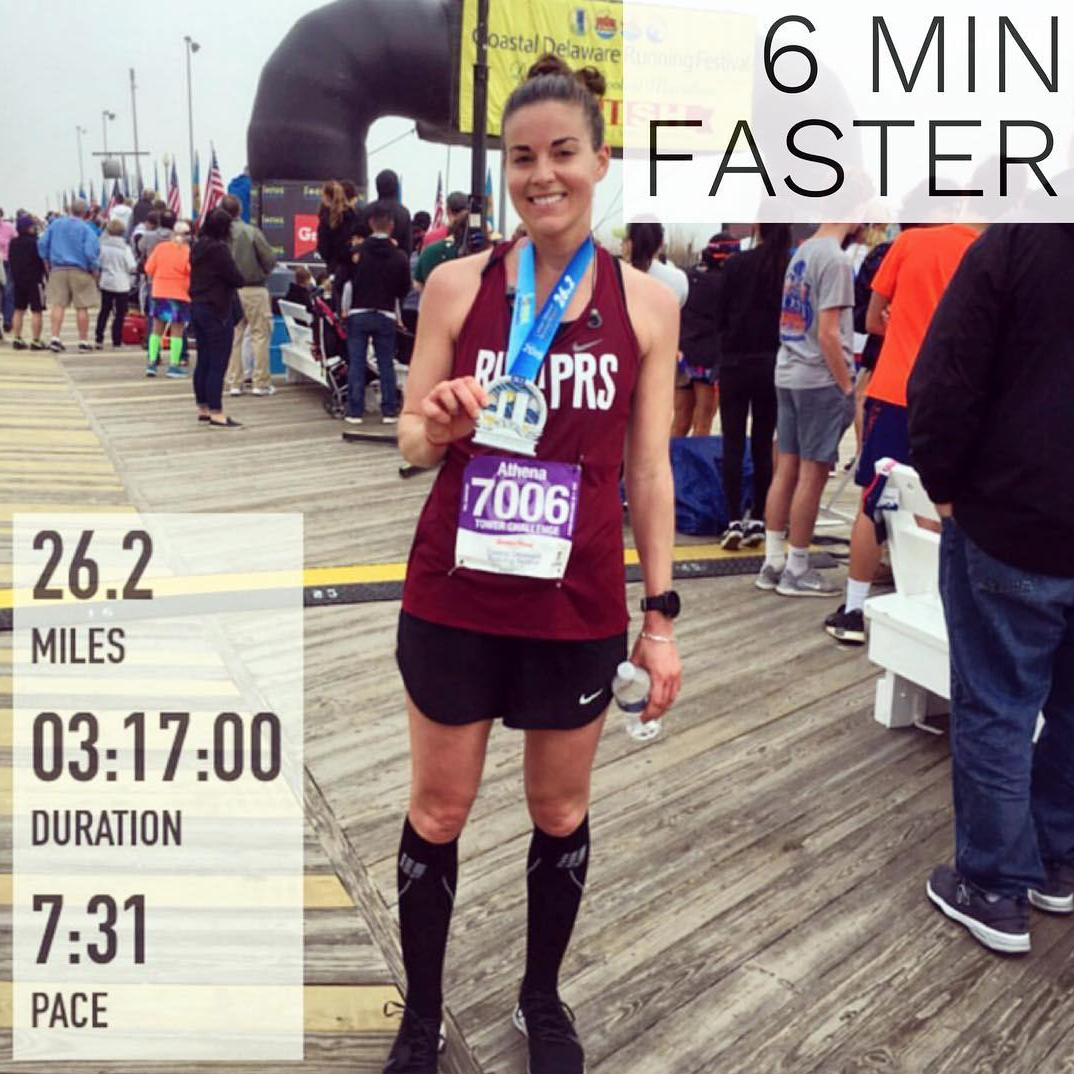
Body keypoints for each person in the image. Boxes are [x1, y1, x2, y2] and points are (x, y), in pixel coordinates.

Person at [388, 53, 682, 1074]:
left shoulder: (647, 304)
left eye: (562, 152)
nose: (541, 174)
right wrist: (436, 422)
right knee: (439, 809)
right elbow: (409, 441)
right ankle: (422, 1014)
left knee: (559, 809)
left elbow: (649, 468)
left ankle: (540, 997)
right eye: (521, 157)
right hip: (456, 591)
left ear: (600, 162)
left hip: (576, 599)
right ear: (504, 170)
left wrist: (661, 615)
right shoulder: (455, 284)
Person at [907, 221, 1074, 955]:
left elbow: (946, 376)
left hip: (1014, 515)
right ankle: (1059, 857)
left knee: (997, 705)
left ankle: (994, 885)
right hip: (1023, 514)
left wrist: (943, 484)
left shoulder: (1016, 242)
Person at [824, 220, 982, 644]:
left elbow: (872, 319)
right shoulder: (985, 250)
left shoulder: (909, 243)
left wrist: (903, 318)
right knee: (939, 502)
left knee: (872, 499)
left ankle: (854, 610)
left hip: (895, 390)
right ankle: (930, 604)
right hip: (952, 395)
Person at [756, 222, 857, 597]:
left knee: (786, 468)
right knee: (812, 475)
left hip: (789, 371)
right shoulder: (835, 259)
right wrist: (846, 385)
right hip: (819, 378)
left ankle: (773, 561)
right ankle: (797, 567)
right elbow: (829, 332)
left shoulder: (803, 251)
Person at [715, 223, 793, 550]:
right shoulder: (788, 266)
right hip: (772, 363)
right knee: (763, 444)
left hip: (735, 363)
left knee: (732, 442)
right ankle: (759, 517)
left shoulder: (736, 264)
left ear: (758, 227)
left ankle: (733, 518)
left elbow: (720, 314)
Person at [341, 200, 410, 425]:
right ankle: (389, 410)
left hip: (358, 312)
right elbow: (403, 289)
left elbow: (346, 284)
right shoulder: (399, 256)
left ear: (371, 223)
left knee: (357, 362)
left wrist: (344, 310)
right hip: (386, 313)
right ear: (391, 226)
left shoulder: (356, 253)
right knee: (385, 363)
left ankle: (355, 411)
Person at [675, 232, 737, 438]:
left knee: (679, 421)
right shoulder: (727, 284)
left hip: (683, 357)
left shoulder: (687, 277)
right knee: (703, 422)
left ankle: (670, 458)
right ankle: (695, 460)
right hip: (709, 361)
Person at [190, 208, 247, 428]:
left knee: (203, 359)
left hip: (198, 306)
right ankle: (217, 411)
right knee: (218, 362)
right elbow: (237, 278)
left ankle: (203, 407)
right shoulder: (220, 249)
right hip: (217, 309)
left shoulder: (197, 246)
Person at [221, 193, 277, 397]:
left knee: (234, 337)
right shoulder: (251, 232)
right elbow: (269, 259)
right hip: (254, 289)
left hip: (229, 291)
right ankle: (260, 383)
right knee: (260, 335)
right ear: (240, 210)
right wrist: (262, 272)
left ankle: (234, 382)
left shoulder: (219, 235)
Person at [37, 198, 100, 353]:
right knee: (81, 307)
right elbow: (90, 252)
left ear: (70, 209)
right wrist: (95, 269)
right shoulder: (86, 229)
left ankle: (55, 338)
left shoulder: (55, 224)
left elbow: (42, 243)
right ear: (85, 213)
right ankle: (83, 342)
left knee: (58, 305)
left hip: (58, 269)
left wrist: (46, 260)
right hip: (80, 269)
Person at [144, 221, 192, 378]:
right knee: (177, 331)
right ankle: (173, 365)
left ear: (173, 233)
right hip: (179, 293)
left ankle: (151, 363)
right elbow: (190, 271)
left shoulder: (160, 248)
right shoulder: (187, 251)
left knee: (156, 329)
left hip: (159, 291)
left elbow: (148, 268)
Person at [95, 218, 138, 349]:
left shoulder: (102, 246)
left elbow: (98, 262)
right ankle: (116, 340)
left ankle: (99, 338)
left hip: (106, 281)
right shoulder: (125, 248)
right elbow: (131, 266)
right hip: (121, 283)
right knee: (120, 313)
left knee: (104, 310)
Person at [8, 214, 47, 350]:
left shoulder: (13, 243)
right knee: (37, 310)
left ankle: (17, 338)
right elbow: (41, 260)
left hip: (18, 281)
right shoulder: (35, 242)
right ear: (28, 227)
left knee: (18, 310)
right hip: (34, 281)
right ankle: (36, 340)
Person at [374, 168, 413, 256]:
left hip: (368, 263)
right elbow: (407, 248)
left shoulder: (366, 211)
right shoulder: (404, 213)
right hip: (397, 261)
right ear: (396, 187)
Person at [0, 207, 16, 332]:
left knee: (8, 292)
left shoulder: (9, 227)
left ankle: (7, 320)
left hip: (7, 262)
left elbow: (16, 243)